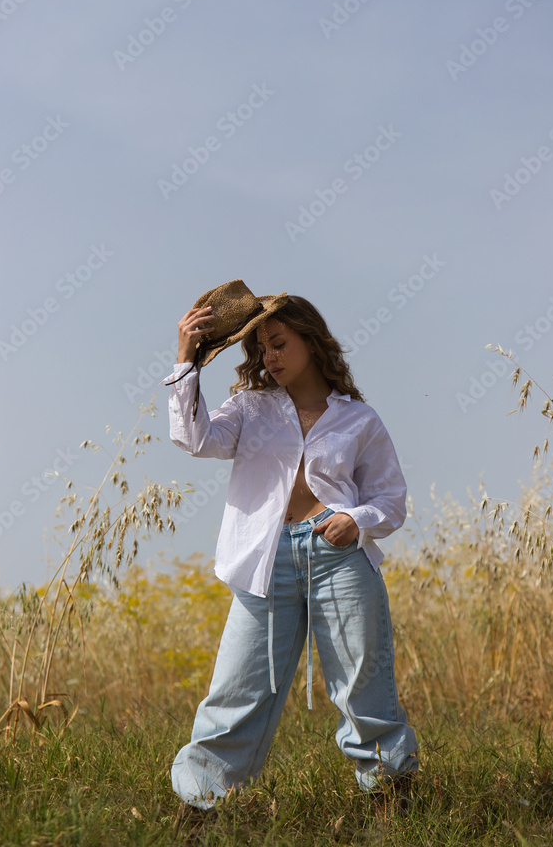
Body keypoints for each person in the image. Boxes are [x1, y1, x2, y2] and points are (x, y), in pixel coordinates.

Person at [159, 281, 418, 810]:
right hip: (265, 558)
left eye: (279, 343)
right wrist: (187, 362)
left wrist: (355, 518)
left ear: (310, 339)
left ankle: (390, 797)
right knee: (237, 689)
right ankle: (202, 804)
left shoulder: (358, 419)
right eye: (261, 349)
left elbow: (391, 500)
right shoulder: (249, 407)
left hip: (339, 558)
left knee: (361, 685)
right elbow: (193, 438)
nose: (270, 357)